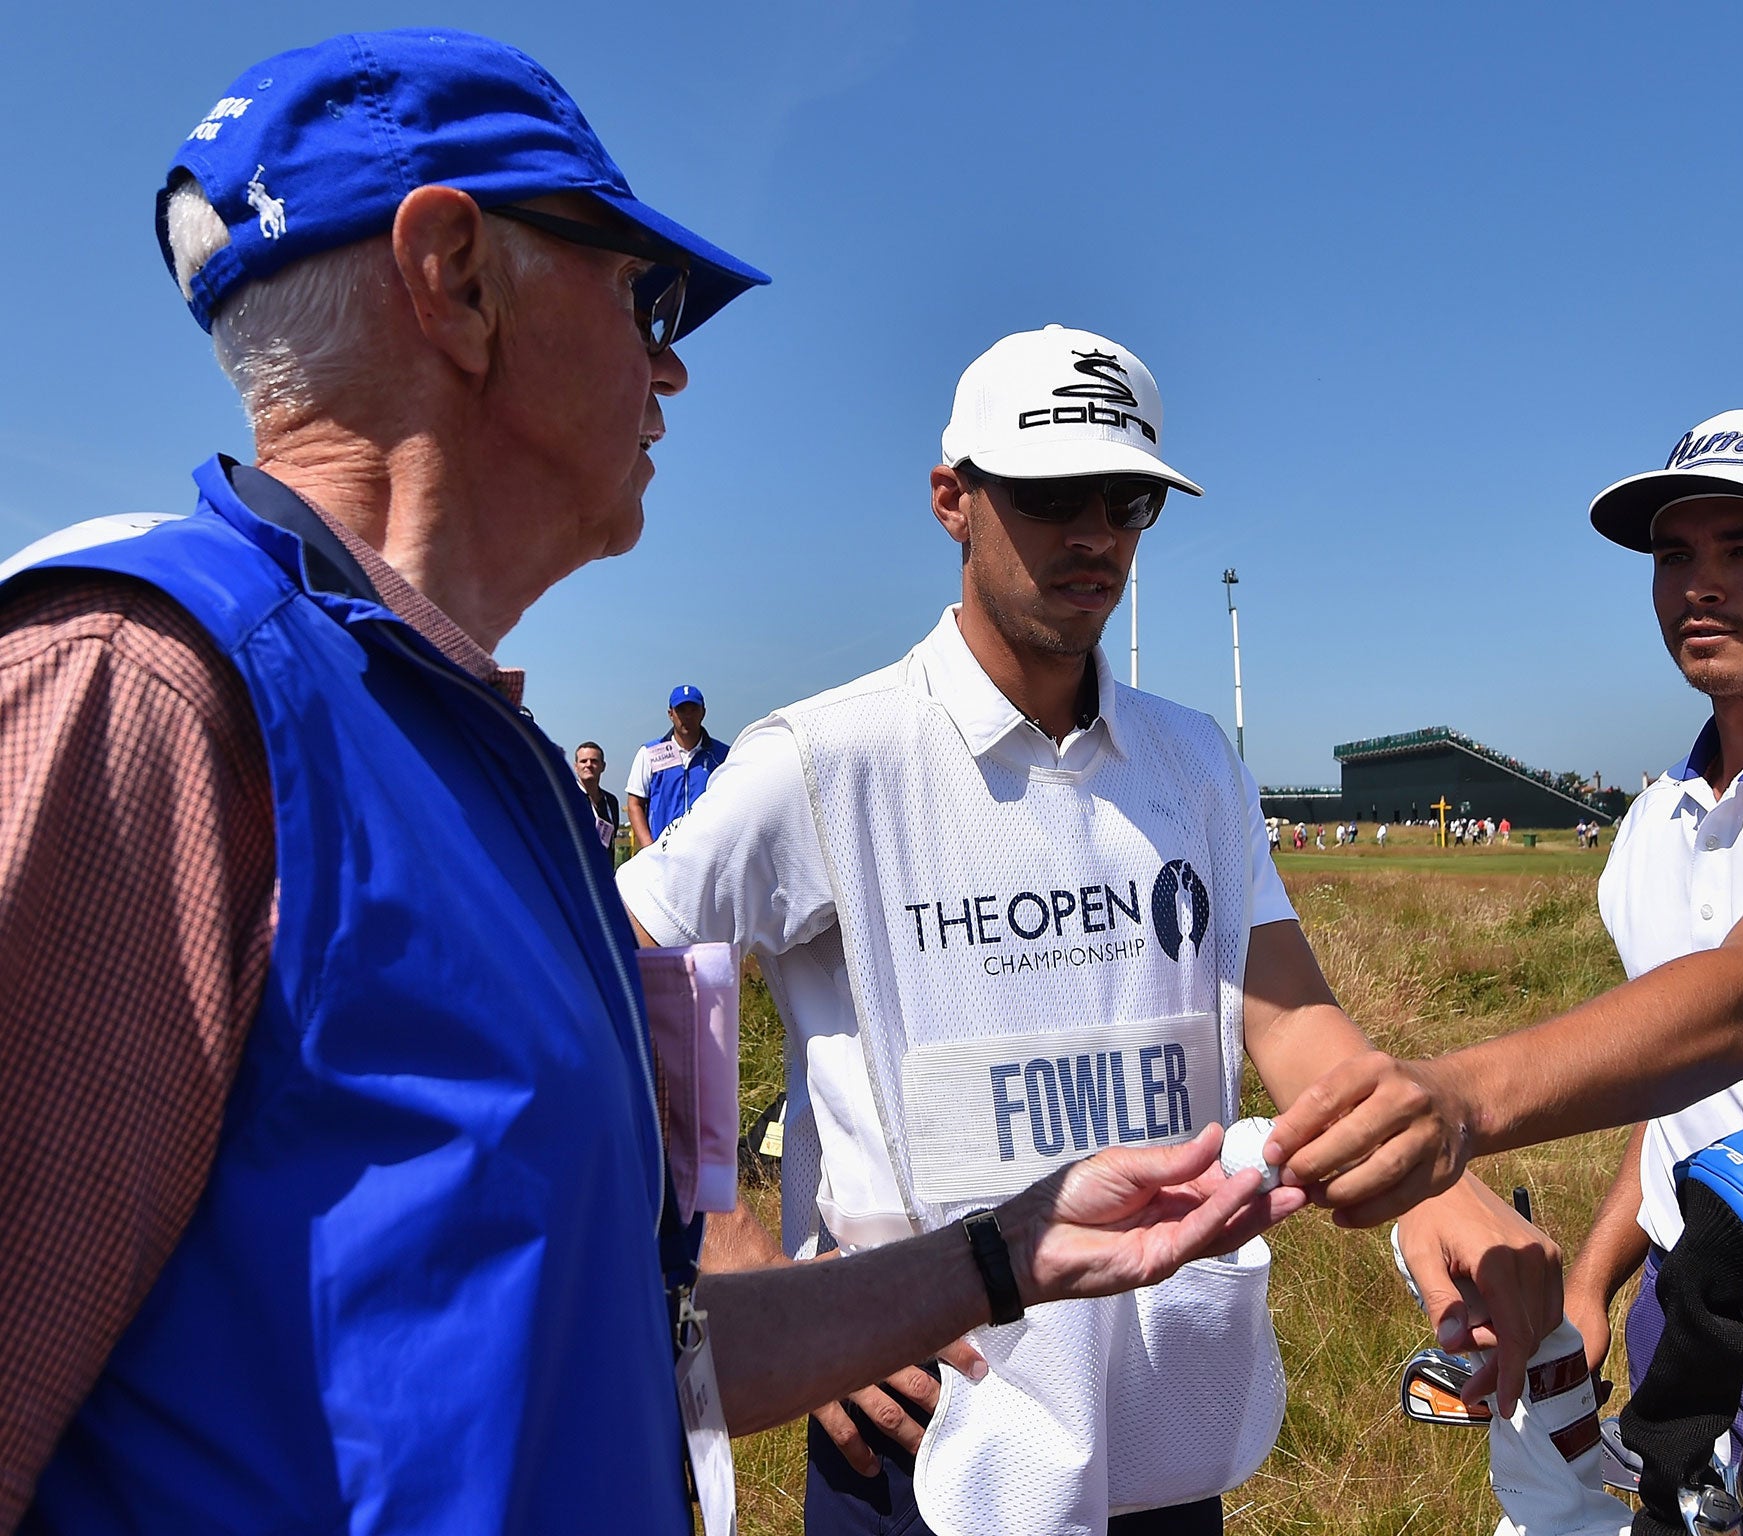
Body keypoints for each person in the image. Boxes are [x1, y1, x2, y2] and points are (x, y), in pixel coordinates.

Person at [0, 37, 1304, 1534]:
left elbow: (608, 1335)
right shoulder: (140, 690)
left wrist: (1003, 1254)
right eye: (644, 295)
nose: (674, 363)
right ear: (458, 281)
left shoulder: (483, 765)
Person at [617, 324, 1560, 1536]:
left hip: (1160, 1407)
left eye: (1126, 500)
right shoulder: (828, 758)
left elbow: (1291, 1016)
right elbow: (625, 951)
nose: (1094, 536)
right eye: (1051, 492)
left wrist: (1431, 1179)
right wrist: (741, 1266)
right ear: (952, 500)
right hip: (923, 1422)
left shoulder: (1193, 763)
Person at [1256, 409, 1743, 1517]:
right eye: (1674, 553)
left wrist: (1456, 1101)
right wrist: (1590, 1281)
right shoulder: (1655, 822)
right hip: (1701, 1332)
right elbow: (1693, 1082)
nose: (1698, 584)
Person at [626, 683, 729, 848]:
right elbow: (635, 803)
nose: (687, 716)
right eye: (681, 710)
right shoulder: (649, 753)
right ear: (671, 714)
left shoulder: (723, 755)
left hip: (708, 852)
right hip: (664, 854)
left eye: (693, 709)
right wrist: (649, 848)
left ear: (703, 712)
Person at [575, 740, 621, 851]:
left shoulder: (611, 801)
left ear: (603, 766)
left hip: (605, 866)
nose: (589, 765)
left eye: (594, 761)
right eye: (583, 761)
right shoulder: (567, 799)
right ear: (576, 767)